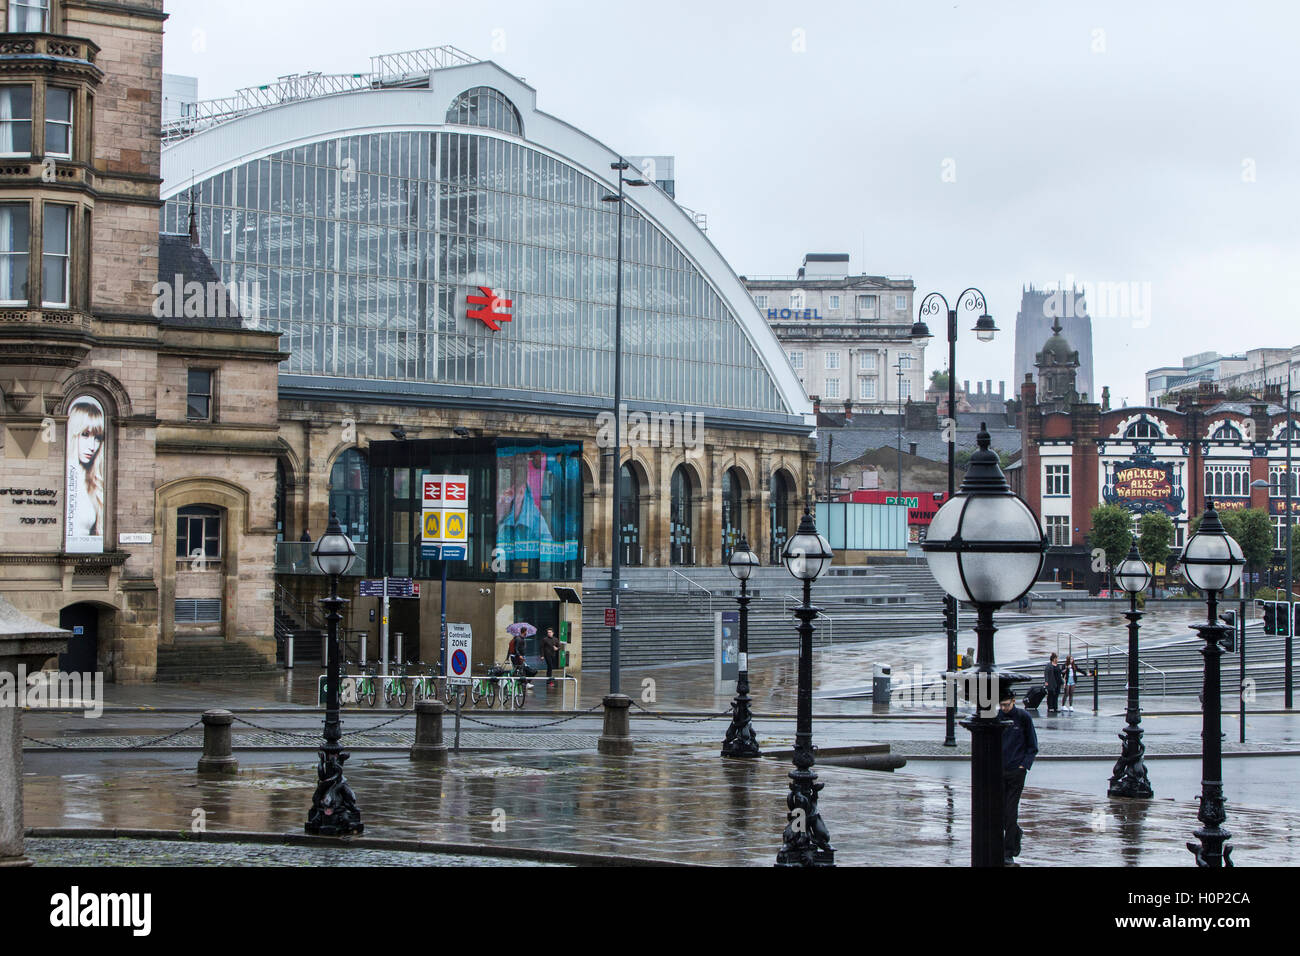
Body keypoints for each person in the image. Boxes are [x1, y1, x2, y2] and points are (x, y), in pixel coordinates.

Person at [1001, 686, 1038, 865]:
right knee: (1000, 811)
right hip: (1001, 770)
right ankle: (1012, 837)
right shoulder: (998, 718)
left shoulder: (1023, 718)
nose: (1004, 708)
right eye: (1001, 705)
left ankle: (1008, 851)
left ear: (1013, 702)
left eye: (1006, 705)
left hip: (1016, 771)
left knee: (1010, 811)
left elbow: (1032, 745)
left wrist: (1024, 765)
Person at [66, 399, 106, 539]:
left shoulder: (95, 484)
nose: (92, 446)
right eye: (85, 435)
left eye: (97, 438)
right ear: (73, 433)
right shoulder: (63, 477)